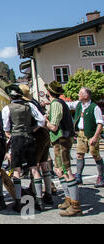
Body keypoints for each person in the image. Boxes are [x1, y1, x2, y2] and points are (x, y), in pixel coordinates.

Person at [2, 84, 46, 212]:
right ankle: (39, 200)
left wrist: (9, 134)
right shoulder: (30, 106)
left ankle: (19, 201)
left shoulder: (7, 108)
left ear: (10, 96)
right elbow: (42, 120)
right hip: (29, 137)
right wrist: (33, 129)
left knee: (17, 170)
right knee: (34, 168)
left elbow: (6, 127)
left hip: (17, 139)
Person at [45, 81, 82, 217]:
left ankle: (76, 205)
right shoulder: (61, 103)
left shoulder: (56, 104)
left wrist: (46, 121)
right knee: (59, 170)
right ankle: (68, 199)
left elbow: (54, 126)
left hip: (61, 139)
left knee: (66, 171)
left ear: (49, 92)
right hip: (61, 140)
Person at [19, 84, 55, 205]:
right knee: (44, 164)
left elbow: (41, 120)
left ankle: (36, 194)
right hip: (44, 134)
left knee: (35, 165)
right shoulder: (34, 102)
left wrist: (33, 129)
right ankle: (48, 193)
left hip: (38, 135)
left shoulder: (29, 105)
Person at [66, 87, 104, 188]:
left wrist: (95, 137)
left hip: (91, 134)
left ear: (86, 96)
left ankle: (101, 177)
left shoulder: (94, 107)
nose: (78, 94)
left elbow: (100, 124)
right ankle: (78, 176)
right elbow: (68, 105)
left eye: (80, 93)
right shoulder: (79, 104)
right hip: (81, 134)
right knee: (79, 154)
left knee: (95, 155)